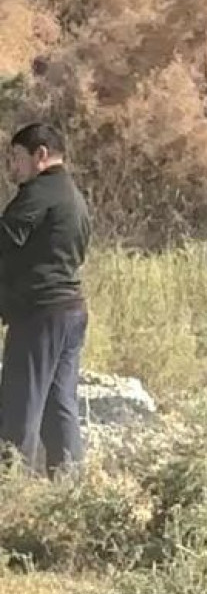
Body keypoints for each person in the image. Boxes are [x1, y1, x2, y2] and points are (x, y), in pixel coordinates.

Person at [0, 122, 90, 476]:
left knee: (19, 406)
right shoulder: (74, 197)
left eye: (16, 158)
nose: (12, 168)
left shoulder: (40, 191)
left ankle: (10, 492)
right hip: (70, 311)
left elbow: (6, 236)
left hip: (39, 314)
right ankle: (67, 492)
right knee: (59, 406)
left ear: (40, 155)